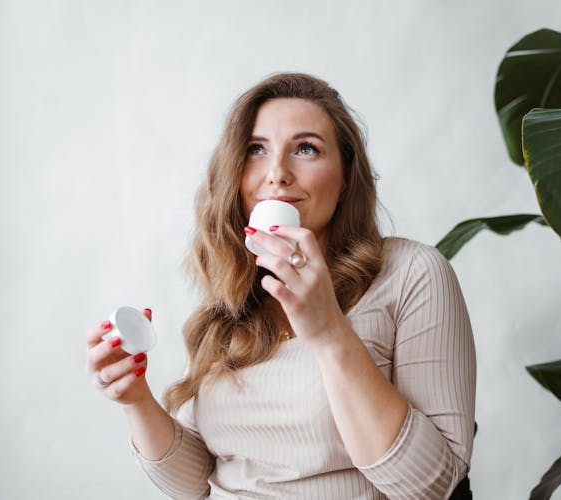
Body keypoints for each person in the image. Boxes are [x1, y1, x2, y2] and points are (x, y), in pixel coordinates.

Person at [85, 73, 476, 499]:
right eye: (256, 150)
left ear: (346, 176)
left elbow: (434, 486)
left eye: (305, 149)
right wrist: (137, 399)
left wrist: (329, 333)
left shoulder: (410, 273)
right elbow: (194, 482)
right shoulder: (232, 294)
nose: (277, 174)